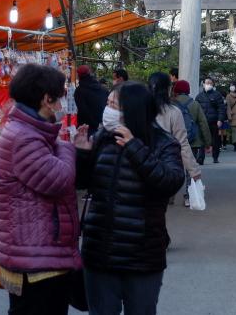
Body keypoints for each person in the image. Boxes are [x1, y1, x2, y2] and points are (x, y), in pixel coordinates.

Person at [74, 81, 184, 315]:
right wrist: (82, 154)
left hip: (142, 255)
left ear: (132, 110)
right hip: (100, 251)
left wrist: (134, 147)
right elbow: (83, 184)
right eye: (107, 103)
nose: (107, 110)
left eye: (114, 105)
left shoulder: (163, 143)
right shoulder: (103, 137)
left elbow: (171, 182)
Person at [0, 64, 81, 314]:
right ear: (45, 99)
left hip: (37, 252)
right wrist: (67, 147)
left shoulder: (29, 132)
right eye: (58, 99)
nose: (60, 106)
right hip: (35, 257)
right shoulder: (25, 137)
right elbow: (60, 179)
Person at [150, 72, 202, 208]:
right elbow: (182, 144)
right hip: (165, 165)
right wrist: (194, 171)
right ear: (168, 89)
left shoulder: (139, 108)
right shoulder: (173, 112)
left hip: (143, 164)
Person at [172, 80, 212, 169]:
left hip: (175, 140)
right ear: (188, 90)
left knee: (176, 167)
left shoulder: (171, 104)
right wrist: (207, 143)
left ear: (175, 90)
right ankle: (189, 178)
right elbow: (203, 124)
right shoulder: (195, 104)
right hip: (192, 141)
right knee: (190, 167)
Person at [195, 77, 226, 163]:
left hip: (214, 121)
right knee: (201, 140)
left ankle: (215, 157)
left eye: (210, 83)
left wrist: (220, 119)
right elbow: (196, 108)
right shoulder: (199, 96)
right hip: (203, 122)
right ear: (203, 84)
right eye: (207, 83)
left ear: (213, 84)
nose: (208, 84)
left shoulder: (217, 95)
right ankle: (200, 158)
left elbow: (221, 108)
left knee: (215, 140)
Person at [74, 65, 108, 136]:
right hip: (102, 126)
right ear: (90, 73)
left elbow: (82, 110)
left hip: (85, 128)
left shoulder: (79, 91)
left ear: (78, 75)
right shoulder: (103, 89)